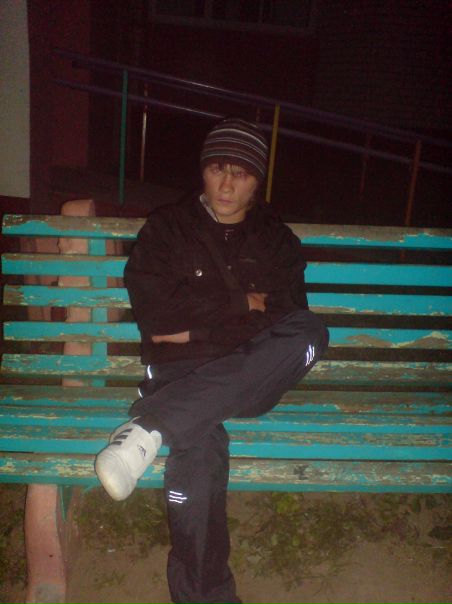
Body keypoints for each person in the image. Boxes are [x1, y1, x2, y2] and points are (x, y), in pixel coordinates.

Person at [95, 117, 329, 604]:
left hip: (252, 372)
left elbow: (287, 319)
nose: (226, 185)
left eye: (240, 174)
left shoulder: (276, 241)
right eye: (217, 169)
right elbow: (157, 319)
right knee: (198, 456)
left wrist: (197, 325)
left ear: (257, 182)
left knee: (311, 332)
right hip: (178, 371)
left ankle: (151, 427)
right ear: (202, 171)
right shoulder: (167, 229)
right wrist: (243, 306)